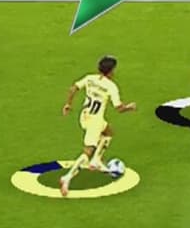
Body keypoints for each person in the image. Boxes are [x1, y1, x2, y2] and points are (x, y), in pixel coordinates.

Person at [59, 55, 137, 197]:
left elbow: (73, 89)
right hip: (95, 121)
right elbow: (119, 108)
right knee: (88, 150)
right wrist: (129, 107)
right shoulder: (111, 86)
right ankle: (67, 177)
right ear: (111, 71)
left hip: (85, 116)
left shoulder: (90, 78)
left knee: (108, 132)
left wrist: (68, 104)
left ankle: (96, 160)